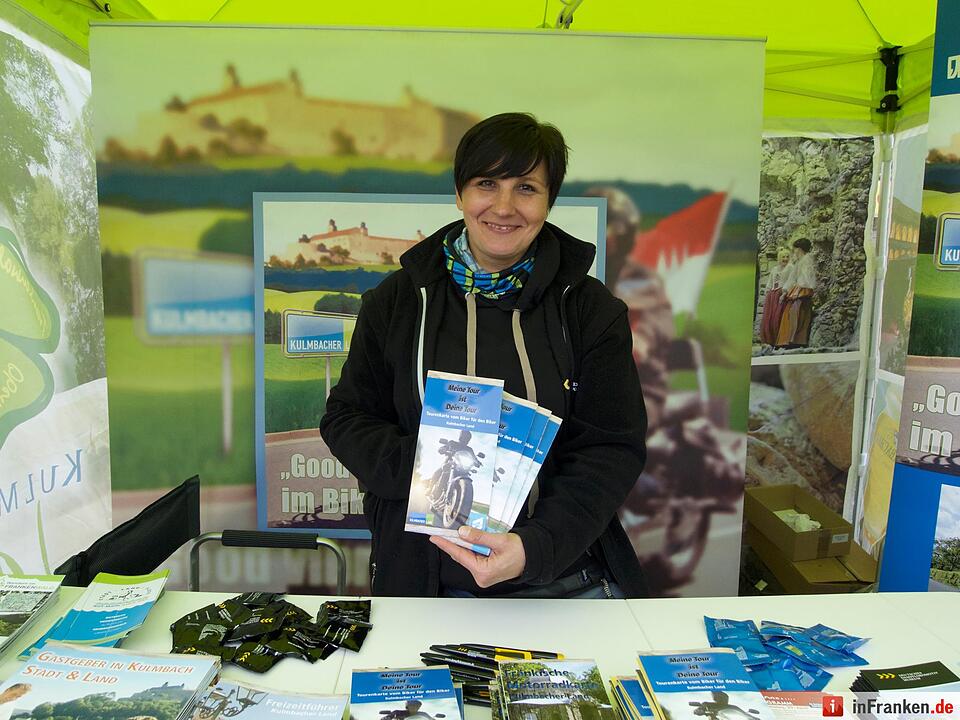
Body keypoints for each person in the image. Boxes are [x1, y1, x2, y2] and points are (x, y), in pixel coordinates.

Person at [319, 112, 649, 598]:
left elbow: (611, 447)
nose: (504, 206)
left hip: (559, 580)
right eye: (486, 183)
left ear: (549, 202)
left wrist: (534, 547)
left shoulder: (589, 311)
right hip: (423, 580)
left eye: (527, 188)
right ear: (459, 194)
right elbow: (346, 417)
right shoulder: (397, 301)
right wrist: (429, 467)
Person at [775, 237, 817, 348]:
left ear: (800, 249)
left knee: (797, 312)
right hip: (798, 290)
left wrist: (801, 288)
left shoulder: (807, 260)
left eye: (796, 249)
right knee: (790, 312)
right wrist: (785, 291)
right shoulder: (799, 262)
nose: (794, 252)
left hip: (803, 291)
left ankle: (796, 340)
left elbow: (807, 278)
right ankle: (788, 340)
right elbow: (792, 278)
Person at [758, 247, 792, 346]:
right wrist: (767, 292)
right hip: (772, 295)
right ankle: (770, 341)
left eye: (787, 257)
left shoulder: (790, 268)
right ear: (779, 258)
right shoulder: (774, 269)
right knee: (770, 318)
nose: (785, 259)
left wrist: (784, 293)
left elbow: (791, 282)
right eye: (783, 257)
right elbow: (770, 282)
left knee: (779, 317)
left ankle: (779, 341)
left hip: (782, 294)